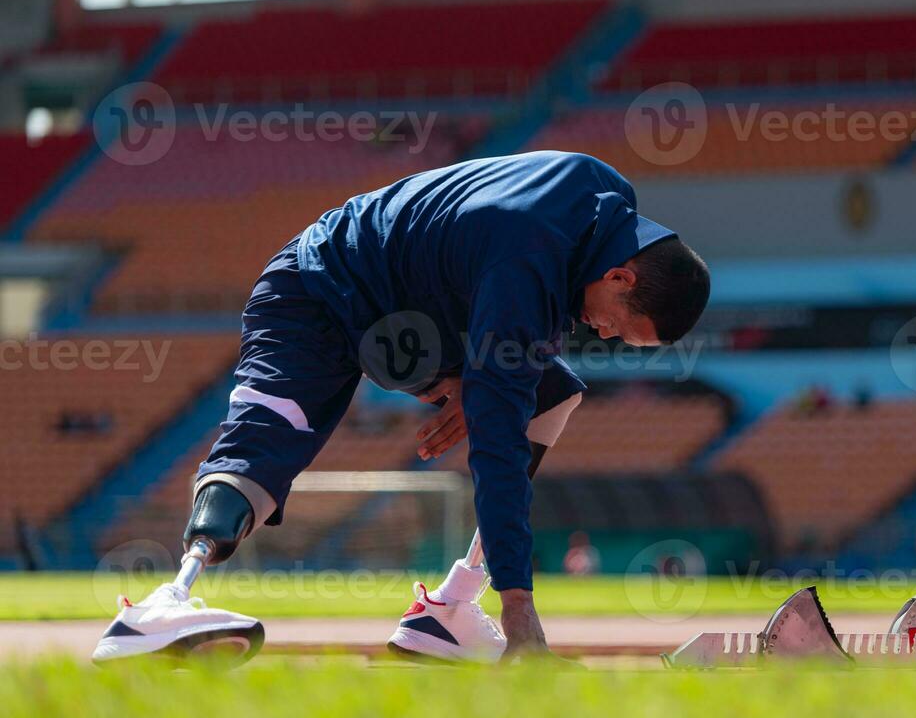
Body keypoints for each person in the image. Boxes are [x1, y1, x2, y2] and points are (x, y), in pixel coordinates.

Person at [92, 151, 710, 666]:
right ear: (622, 278)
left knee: (553, 393)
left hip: (407, 312)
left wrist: (484, 367)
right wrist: (520, 608)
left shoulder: (602, 200)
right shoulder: (531, 263)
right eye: (620, 329)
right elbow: (495, 454)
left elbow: (480, 267)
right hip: (313, 289)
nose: (603, 334)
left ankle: (450, 612)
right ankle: (163, 604)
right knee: (264, 447)